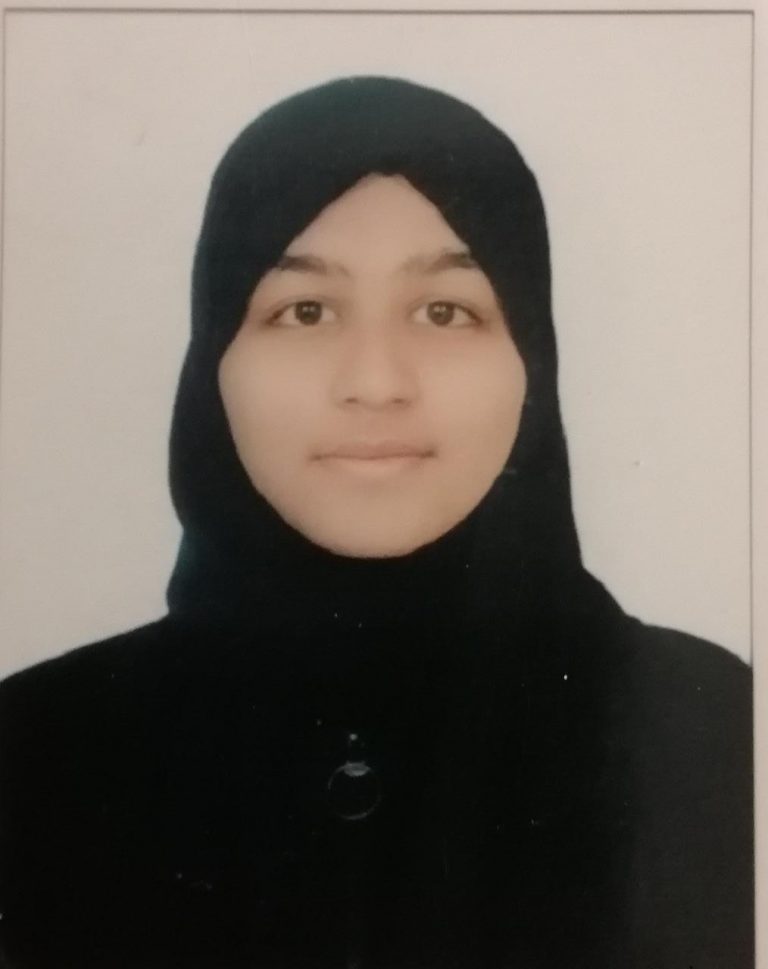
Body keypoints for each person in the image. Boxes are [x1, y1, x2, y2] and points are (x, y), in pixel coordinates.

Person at [0, 76, 752, 969]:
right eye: (305, 311)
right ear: (214, 363)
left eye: (445, 311)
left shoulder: (718, 739)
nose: (376, 381)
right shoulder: (32, 756)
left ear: (531, 361)